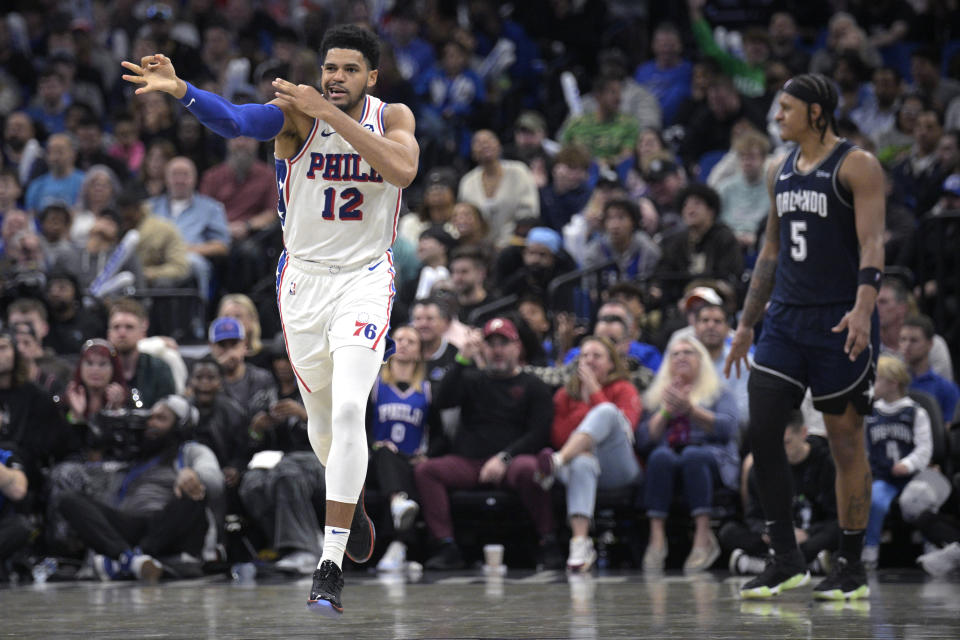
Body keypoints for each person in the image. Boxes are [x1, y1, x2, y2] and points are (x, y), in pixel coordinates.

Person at [122, 23, 419, 615]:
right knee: (322, 428)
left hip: (365, 277)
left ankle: (329, 561)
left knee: (348, 405)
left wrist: (332, 118)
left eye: (348, 69)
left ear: (372, 78)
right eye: (328, 67)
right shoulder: (294, 113)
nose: (335, 78)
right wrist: (182, 90)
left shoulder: (394, 118)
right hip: (304, 282)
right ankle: (350, 499)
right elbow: (234, 121)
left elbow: (403, 171)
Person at [724, 73, 887, 601]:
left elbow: (871, 244)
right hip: (786, 320)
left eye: (787, 108)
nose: (777, 116)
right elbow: (769, 252)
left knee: (844, 442)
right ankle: (786, 559)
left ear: (817, 112)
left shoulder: (856, 165)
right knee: (764, 430)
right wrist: (747, 323)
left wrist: (865, 308)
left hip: (840, 319)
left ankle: (850, 565)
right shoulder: (780, 170)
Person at [414, 318, 557, 570]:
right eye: (491, 345)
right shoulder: (471, 379)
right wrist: (462, 358)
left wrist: (505, 457)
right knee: (427, 471)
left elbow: (539, 433)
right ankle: (445, 545)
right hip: (470, 462)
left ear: (517, 347)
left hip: (512, 461)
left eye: (504, 343)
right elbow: (442, 401)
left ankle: (547, 541)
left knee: (530, 469)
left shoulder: (533, 385)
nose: (497, 350)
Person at [533, 336, 642, 572]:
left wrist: (594, 393)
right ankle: (580, 544)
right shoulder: (564, 395)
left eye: (597, 356)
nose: (590, 360)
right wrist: (584, 443)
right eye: (585, 355)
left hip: (617, 466)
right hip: (579, 466)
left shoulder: (624, 388)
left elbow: (627, 430)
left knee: (607, 412)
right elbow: (558, 436)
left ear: (612, 363)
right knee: (583, 462)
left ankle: (555, 463)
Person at [637, 336, 739, 573]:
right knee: (659, 456)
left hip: (710, 458)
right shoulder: (654, 396)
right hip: (669, 458)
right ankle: (656, 538)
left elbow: (729, 429)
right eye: (676, 353)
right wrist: (666, 411)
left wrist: (692, 410)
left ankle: (704, 537)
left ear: (701, 360)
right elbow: (643, 440)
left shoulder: (718, 393)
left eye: (689, 352)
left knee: (693, 454)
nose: (682, 357)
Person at [722, 410, 839, 577]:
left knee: (838, 531)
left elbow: (834, 516)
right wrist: (768, 532)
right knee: (729, 532)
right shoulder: (762, 467)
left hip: (808, 535)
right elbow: (753, 516)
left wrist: (807, 533)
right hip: (775, 537)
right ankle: (808, 566)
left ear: (803, 433)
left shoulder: (825, 462)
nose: (779, 451)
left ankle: (761, 565)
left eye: (786, 442)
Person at [367, 326, 438, 571]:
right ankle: (399, 546)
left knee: (409, 480)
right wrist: (372, 445)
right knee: (387, 455)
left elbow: (438, 432)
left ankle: (398, 548)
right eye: (399, 339)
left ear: (419, 351)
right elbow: (361, 425)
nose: (404, 344)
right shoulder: (374, 384)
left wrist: (427, 455)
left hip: (410, 460)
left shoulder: (427, 390)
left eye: (411, 341)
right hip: (377, 459)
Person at [862, 355, 932, 568]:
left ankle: (931, 546)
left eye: (878, 379)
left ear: (893, 383)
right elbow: (865, 449)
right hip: (884, 476)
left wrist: (908, 464)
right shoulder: (871, 414)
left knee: (921, 501)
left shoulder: (915, 412)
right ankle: (871, 547)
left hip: (913, 477)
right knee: (874, 501)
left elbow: (925, 448)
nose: (873, 385)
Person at [899, 315, 960, 422]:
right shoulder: (893, 384)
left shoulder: (946, 389)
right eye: (903, 339)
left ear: (930, 344)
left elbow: (951, 432)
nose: (906, 346)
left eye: (914, 340)